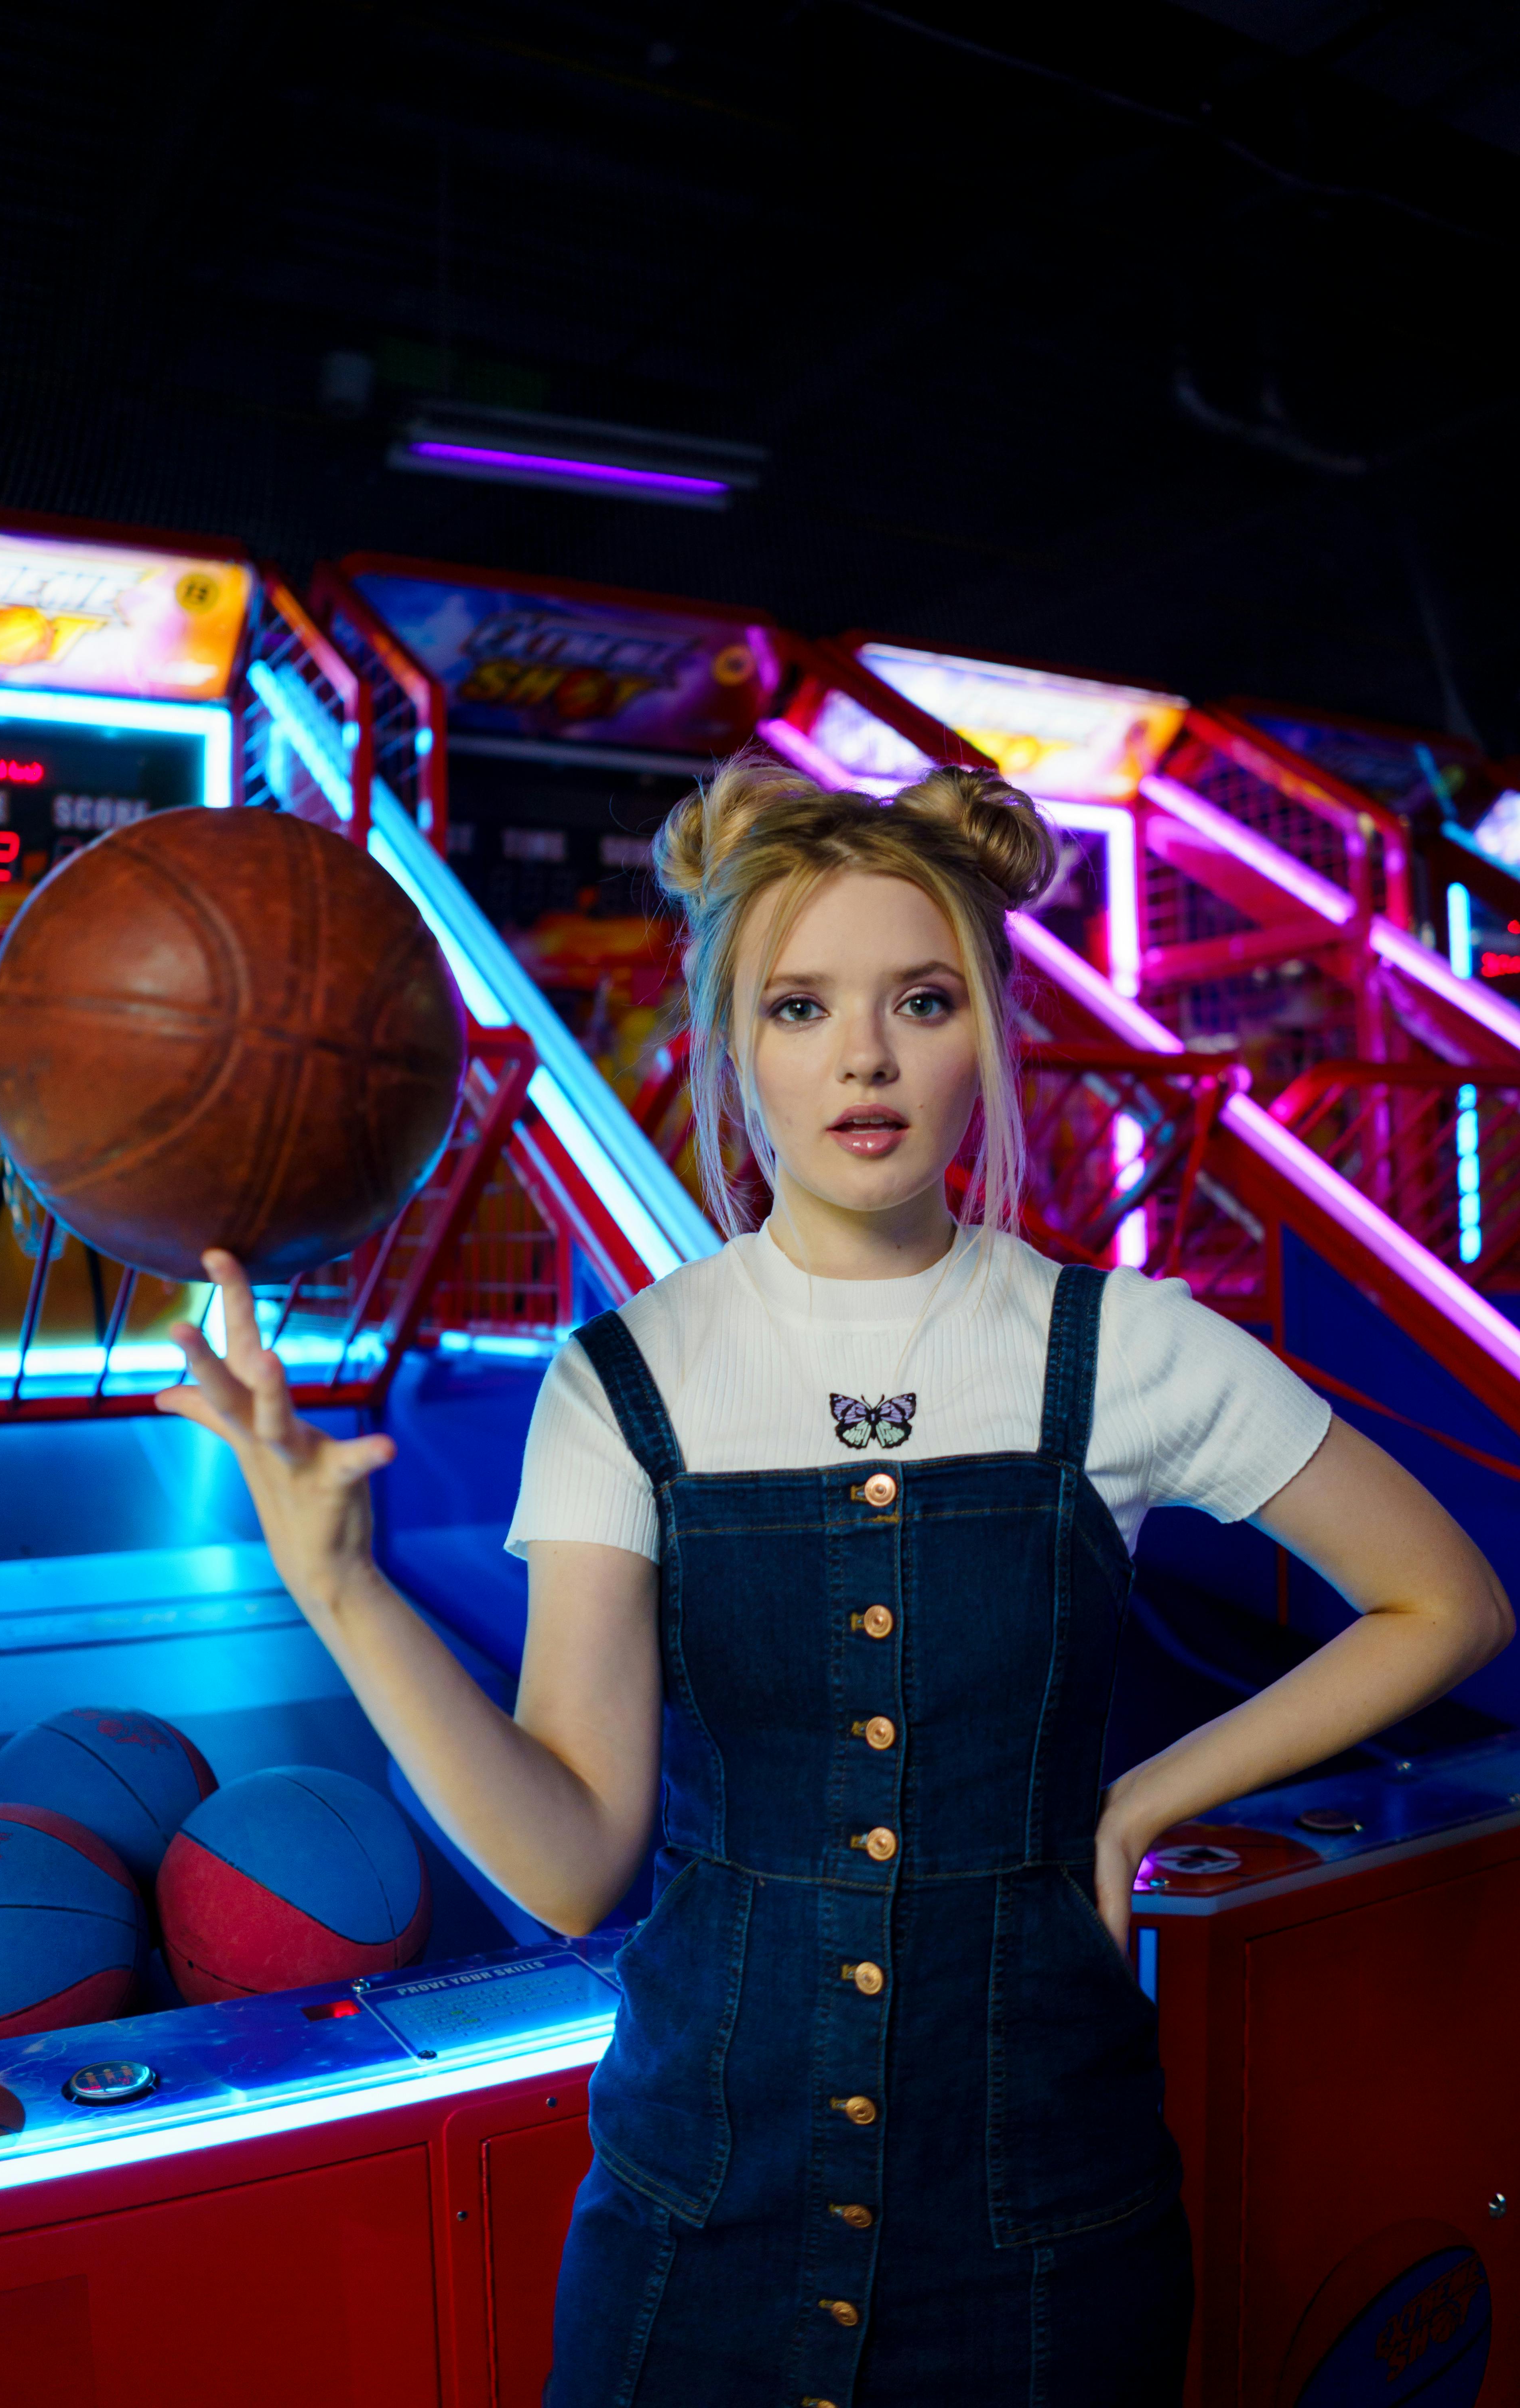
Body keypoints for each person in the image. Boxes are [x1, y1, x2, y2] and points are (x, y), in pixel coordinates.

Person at [160, 752, 1512, 2407]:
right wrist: (344, 1590)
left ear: (991, 1031)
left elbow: (1446, 1602)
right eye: (800, 1007)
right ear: (734, 1047)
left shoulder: (1128, 1348)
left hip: (1047, 2227)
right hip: (695, 2219)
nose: (863, 1055)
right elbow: (578, 1864)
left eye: (921, 999)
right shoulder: (624, 1378)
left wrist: (1135, 1802)